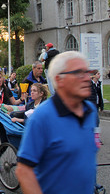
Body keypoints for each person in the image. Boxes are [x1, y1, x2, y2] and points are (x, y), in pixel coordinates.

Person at [16, 51, 98, 194]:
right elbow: (24, 170)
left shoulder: (89, 110)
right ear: (60, 80)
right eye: (79, 73)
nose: (87, 78)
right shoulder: (42, 118)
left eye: (87, 72)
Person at [0, 70, 26, 177]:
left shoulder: (6, 89)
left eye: (0, 77)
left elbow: (14, 103)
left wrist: (21, 99)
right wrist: (2, 105)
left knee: (5, 141)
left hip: (3, 119)